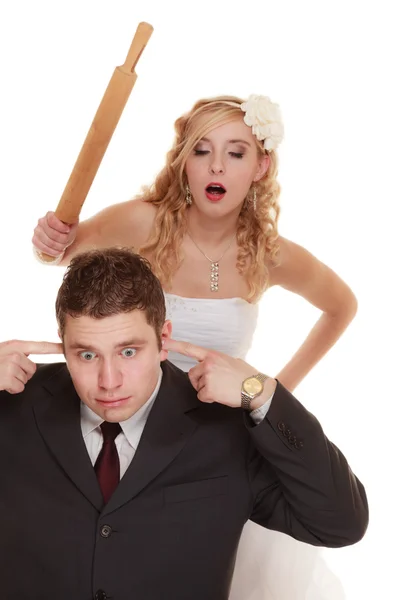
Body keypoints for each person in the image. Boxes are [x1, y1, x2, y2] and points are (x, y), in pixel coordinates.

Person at [31, 94, 358, 598]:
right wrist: (48, 239)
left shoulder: (269, 254)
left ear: (261, 166)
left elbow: (341, 307)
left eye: (236, 152)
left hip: (212, 438)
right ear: (184, 162)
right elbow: (63, 255)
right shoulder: (141, 222)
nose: (217, 166)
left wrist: (270, 394)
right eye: (202, 150)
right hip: (134, 416)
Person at [0, 248, 367, 600]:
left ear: (163, 340)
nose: (108, 380)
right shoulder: (15, 406)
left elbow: (339, 524)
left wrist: (262, 393)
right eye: (87, 354)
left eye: (129, 351)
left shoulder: (227, 427)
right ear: (62, 346)